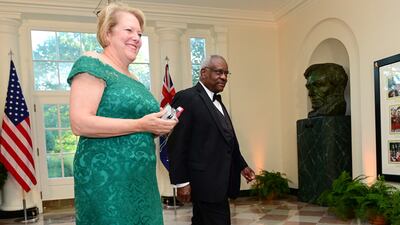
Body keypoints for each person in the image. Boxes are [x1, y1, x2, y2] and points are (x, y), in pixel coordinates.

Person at [67, 3, 177, 225]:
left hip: (141, 180)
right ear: (107, 33)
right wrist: (141, 125)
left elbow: (139, 127)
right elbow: (79, 123)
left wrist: (158, 125)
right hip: (107, 180)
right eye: (129, 30)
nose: (136, 37)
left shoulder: (135, 79)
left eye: (139, 33)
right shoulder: (92, 62)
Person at [167, 55, 255, 225]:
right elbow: (176, 143)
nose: (224, 77)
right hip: (204, 183)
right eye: (219, 72)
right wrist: (181, 182)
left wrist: (242, 165)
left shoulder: (218, 102)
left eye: (226, 74)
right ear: (203, 72)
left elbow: (228, 140)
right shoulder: (186, 98)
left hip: (221, 182)